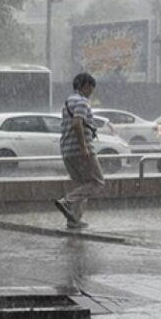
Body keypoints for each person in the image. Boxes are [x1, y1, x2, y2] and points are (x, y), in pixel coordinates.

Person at [54, 72, 104, 229]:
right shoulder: (82, 102)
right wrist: (84, 147)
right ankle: (67, 201)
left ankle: (74, 219)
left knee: (83, 184)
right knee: (97, 182)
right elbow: (77, 123)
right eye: (91, 88)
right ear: (86, 86)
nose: (91, 92)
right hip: (80, 149)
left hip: (67, 149)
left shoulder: (68, 102)